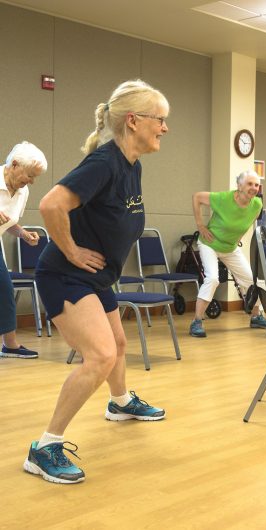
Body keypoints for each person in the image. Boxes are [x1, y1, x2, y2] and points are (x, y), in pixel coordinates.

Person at [23, 80, 169, 484]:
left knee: (119, 346)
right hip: (66, 275)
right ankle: (44, 447)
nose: (165, 128)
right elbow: (51, 204)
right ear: (134, 121)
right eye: (161, 119)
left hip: (97, 276)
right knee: (101, 356)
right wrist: (70, 250)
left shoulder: (130, 165)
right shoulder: (104, 163)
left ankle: (120, 403)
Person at [190, 170, 266, 337]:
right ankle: (197, 321)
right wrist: (201, 226)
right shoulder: (223, 199)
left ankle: (256, 316)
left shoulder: (257, 204)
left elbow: (248, 222)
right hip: (210, 244)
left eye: (256, 185)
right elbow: (197, 197)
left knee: (251, 280)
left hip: (230, 248)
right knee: (212, 278)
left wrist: (237, 238)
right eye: (249, 184)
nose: (254, 188)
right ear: (239, 186)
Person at [0, 141, 47, 359]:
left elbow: (8, 223)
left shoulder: (22, 191)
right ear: (15, 164)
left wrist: (24, 234)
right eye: (29, 175)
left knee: (4, 289)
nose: (31, 181)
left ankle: (10, 345)